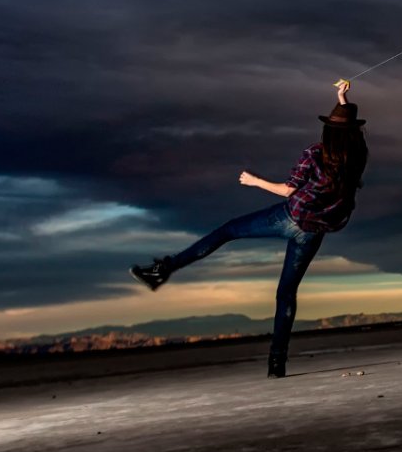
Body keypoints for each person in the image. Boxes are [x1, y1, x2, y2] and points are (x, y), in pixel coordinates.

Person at [131, 79, 369, 378]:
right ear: (353, 133)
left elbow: (288, 191)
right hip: (313, 232)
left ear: (328, 130)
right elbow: (351, 135)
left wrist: (255, 181)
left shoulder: (315, 153)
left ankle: (161, 270)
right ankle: (276, 364)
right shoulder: (356, 157)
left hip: (287, 217)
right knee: (286, 294)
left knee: (227, 231)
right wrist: (343, 99)